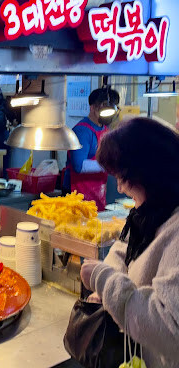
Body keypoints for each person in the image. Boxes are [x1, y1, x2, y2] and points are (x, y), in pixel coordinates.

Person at [80, 118, 179, 368]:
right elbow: (123, 250)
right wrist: (105, 291)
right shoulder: (150, 213)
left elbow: (170, 329)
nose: (120, 188)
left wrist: (104, 281)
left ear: (149, 174)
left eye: (123, 178)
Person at [63, 87, 120, 211]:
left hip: (98, 190)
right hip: (77, 193)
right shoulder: (82, 131)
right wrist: (109, 165)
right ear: (92, 108)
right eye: (103, 108)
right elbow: (79, 166)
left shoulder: (105, 129)